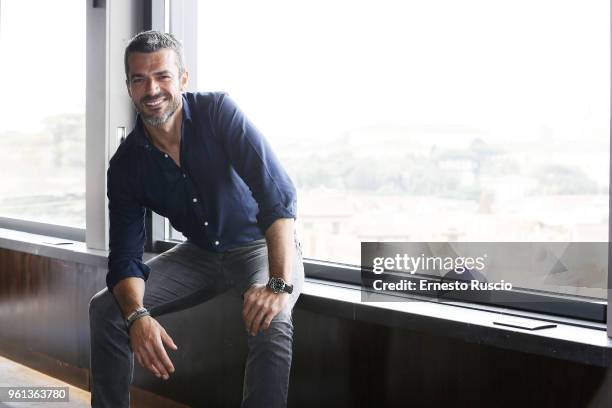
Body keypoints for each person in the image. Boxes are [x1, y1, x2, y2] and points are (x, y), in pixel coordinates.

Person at [88, 30, 304, 408]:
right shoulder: (125, 166)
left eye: (162, 76)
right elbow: (125, 258)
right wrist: (137, 315)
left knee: (273, 320)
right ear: (128, 87)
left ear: (183, 80)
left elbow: (278, 195)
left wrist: (278, 282)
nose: (151, 89)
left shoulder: (218, 112)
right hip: (199, 254)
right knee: (107, 309)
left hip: (258, 247)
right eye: (139, 79)